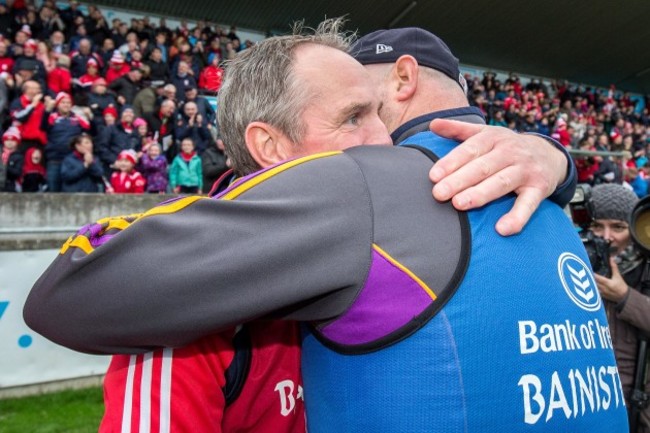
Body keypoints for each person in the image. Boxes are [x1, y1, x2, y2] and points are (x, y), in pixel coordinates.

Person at [25, 21, 627, 432]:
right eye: (353, 117)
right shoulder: (177, 302)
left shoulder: (397, 224)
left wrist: (552, 157)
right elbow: (65, 297)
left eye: (379, 114)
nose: (384, 139)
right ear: (269, 144)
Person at [592, 184, 650, 432]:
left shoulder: (645, 270)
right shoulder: (574, 265)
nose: (606, 237)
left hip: (637, 410)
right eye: (597, 226)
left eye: (618, 227)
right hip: (593, 406)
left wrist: (625, 296)